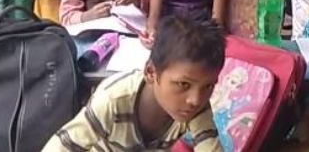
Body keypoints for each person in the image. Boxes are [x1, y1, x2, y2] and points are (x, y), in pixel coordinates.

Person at [42, 16, 225, 152]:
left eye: (208, 86)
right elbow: (61, 146)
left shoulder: (196, 107)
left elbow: (210, 147)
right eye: (183, 84)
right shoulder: (113, 99)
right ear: (151, 72)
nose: (195, 99)